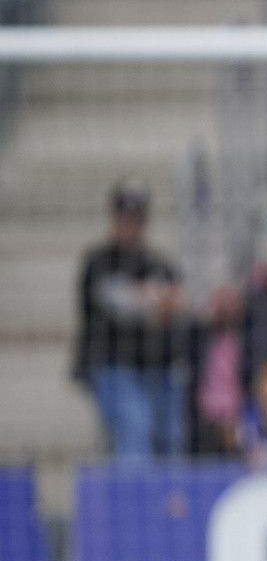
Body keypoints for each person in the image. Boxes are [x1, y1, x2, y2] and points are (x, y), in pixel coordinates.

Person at [73, 181, 190, 461]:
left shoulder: (158, 263)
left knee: (171, 440)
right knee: (135, 430)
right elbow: (115, 301)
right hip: (115, 366)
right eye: (126, 217)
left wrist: (155, 301)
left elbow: (179, 305)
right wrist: (153, 300)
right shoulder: (99, 260)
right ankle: (133, 502)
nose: (132, 224)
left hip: (158, 367)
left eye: (138, 217)